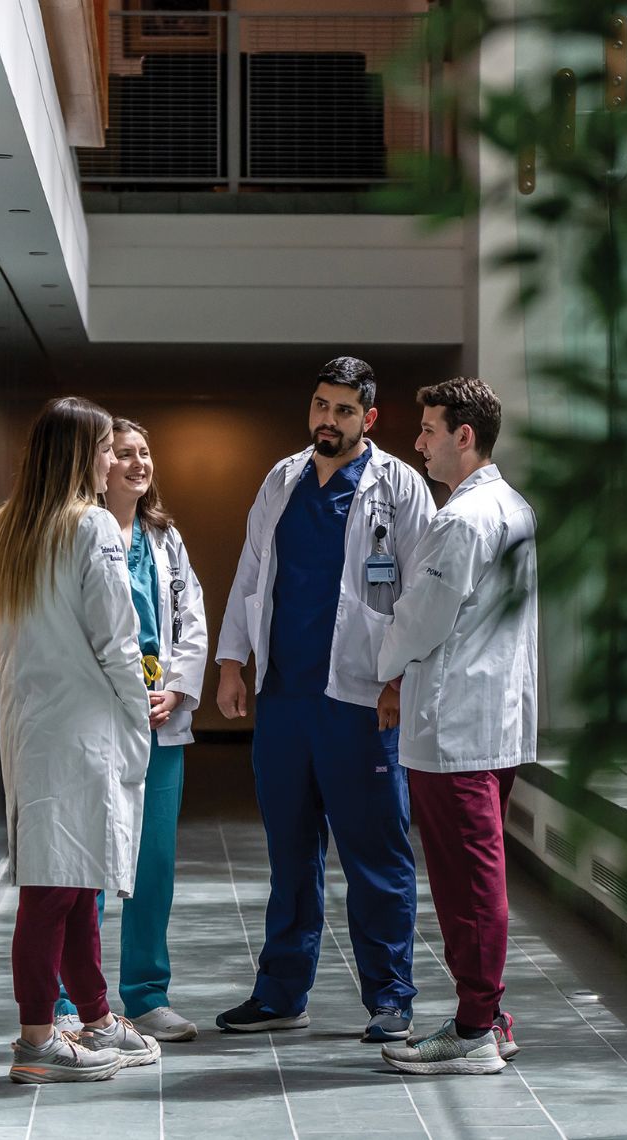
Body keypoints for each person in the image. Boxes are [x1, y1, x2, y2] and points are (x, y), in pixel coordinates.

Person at [213, 356, 434, 1042]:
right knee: (290, 853)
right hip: (285, 697)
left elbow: (423, 594)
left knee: (376, 855)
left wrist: (399, 680)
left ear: (369, 418)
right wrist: (231, 662)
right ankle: (282, 993)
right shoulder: (282, 478)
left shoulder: (400, 487)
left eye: (343, 410)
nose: (327, 420)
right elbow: (252, 571)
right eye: (320, 405)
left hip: (362, 701)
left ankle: (390, 997)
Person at [0, 396, 158, 1083]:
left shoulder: (2, 529)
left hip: (30, 723)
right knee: (54, 889)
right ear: (83, 455)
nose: (113, 461)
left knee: (74, 880)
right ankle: (35, 1040)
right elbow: (117, 640)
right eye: (107, 449)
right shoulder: (92, 526)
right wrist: (137, 717)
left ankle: (96, 1018)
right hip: (85, 727)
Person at [375, 377, 537, 1076]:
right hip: (489, 722)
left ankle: (474, 1029)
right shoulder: (513, 507)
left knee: (468, 884)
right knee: (478, 876)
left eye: (428, 430)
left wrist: (381, 667)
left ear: (463, 436)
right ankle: (489, 1017)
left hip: (455, 729)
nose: (418, 443)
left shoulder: (464, 519)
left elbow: (420, 620)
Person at [91, 417, 208, 1041]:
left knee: (153, 863)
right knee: (87, 863)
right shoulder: (80, 530)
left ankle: (145, 996)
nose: (139, 463)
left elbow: (191, 617)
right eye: (124, 453)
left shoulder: (165, 537)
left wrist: (179, 688)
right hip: (100, 717)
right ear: (99, 463)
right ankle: (72, 1000)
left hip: (159, 719)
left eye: (144, 452)